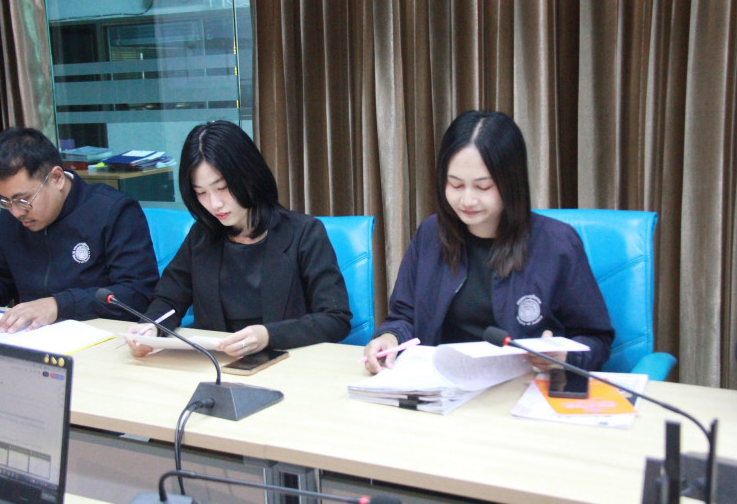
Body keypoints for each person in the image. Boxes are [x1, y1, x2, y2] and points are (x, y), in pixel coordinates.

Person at [363, 110, 614, 374]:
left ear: (511, 183)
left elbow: (596, 339)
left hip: (522, 387)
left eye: (483, 187)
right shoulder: (431, 235)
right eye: (455, 185)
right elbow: (404, 317)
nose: (467, 200)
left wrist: (564, 356)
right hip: (442, 385)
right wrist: (389, 338)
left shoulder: (557, 244)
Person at [126, 120, 351, 358]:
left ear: (249, 175)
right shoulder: (202, 235)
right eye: (201, 192)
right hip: (216, 365)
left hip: (285, 363)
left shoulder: (304, 233)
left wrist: (268, 335)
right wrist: (151, 327)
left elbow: (335, 319)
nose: (214, 204)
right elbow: (169, 299)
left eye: (222, 187)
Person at [0, 127, 159, 332]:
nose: (16, 212)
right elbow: (1, 279)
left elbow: (136, 295)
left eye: (23, 200)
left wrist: (58, 305)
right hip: (34, 338)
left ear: (56, 178)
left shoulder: (113, 211)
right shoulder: (13, 217)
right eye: (5, 201)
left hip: (101, 337)